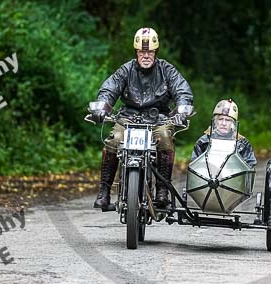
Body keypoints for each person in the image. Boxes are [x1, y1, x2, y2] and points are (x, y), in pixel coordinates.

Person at [89, 27, 193, 209]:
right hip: (128, 119)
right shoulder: (126, 70)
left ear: (156, 52)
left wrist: (182, 110)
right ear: (136, 52)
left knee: (166, 140)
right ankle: (104, 191)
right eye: (142, 52)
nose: (146, 56)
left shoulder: (167, 70)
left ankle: (162, 190)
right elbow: (109, 89)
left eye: (150, 52)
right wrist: (101, 107)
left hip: (159, 120)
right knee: (113, 141)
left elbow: (182, 90)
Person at [191, 99, 257, 168]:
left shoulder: (242, 143)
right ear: (215, 121)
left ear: (233, 123)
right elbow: (194, 166)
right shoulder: (204, 141)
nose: (223, 123)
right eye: (220, 119)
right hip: (207, 177)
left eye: (228, 120)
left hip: (233, 178)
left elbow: (249, 168)